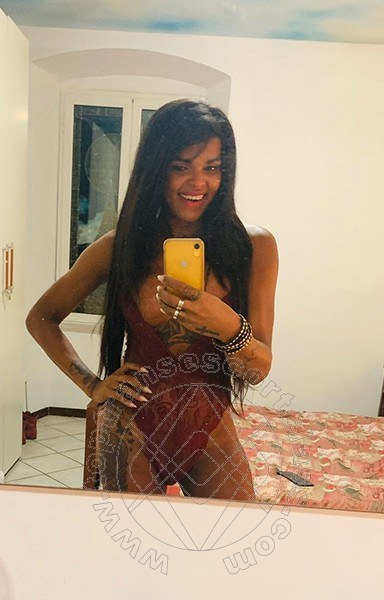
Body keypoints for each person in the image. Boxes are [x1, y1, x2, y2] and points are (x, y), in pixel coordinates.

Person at [26, 99, 278, 502]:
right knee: (132, 542)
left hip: (210, 421)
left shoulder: (255, 247)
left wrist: (227, 324)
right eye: (181, 166)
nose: (198, 183)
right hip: (132, 424)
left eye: (212, 167)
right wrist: (93, 385)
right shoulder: (118, 248)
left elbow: (258, 370)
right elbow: (41, 317)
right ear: (156, 168)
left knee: (235, 534)